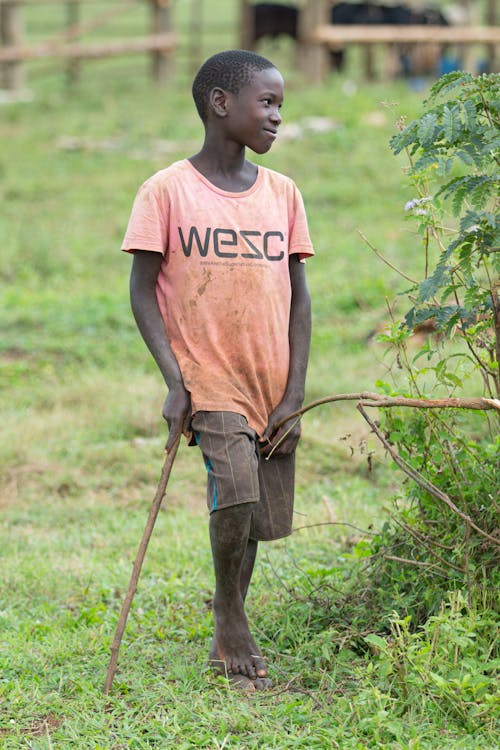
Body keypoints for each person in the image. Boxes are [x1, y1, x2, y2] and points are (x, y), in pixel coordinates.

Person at [121, 49, 314, 691]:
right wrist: (175, 381)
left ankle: (231, 600)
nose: (277, 116)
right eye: (267, 102)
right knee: (234, 484)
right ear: (221, 104)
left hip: (270, 376)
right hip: (207, 374)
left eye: (280, 104)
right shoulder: (167, 190)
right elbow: (143, 288)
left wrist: (296, 392)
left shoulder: (283, 194)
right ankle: (230, 617)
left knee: (254, 509)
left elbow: (300, 294)